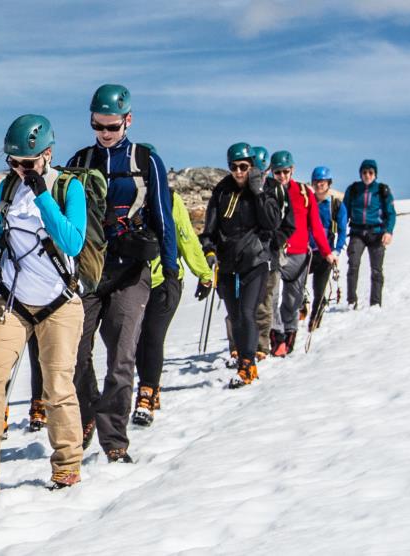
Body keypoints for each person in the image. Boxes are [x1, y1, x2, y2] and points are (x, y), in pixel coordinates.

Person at [0, 114, 90, 496]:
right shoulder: (8, 189)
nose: (18, 169)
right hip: (11, 300)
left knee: (57, 386)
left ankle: (67, 466)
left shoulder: (69, 187)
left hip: (60, 304)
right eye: (12, 163)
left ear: (47, 155)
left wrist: (42, 192)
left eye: (27, 163)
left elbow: (71, 243)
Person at [48, 83, 170, 463]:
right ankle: (89, 413)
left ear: (128, 120)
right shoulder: (81, 160)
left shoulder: (145, 160)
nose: (104, 134)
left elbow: (162, 214)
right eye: (98, 126)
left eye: (112, 127)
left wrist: (170, 266)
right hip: (88, 273)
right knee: (74, 353)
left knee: (121, 357)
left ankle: (114, 439)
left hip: (131, 271)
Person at [129, 162, 215, 427]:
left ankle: (146, 393)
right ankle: (149, 386)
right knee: (136, 340)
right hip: (132, 281)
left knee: (152, 336)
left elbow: (186, 238)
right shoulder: (124, 200)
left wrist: (204, 274)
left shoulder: (171, 200)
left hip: (166, 280)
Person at [203, 143, 281, 388]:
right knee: (235, 314)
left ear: (251, 166)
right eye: (234, 167)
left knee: (248, 312)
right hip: (227, 261)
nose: (238, 172)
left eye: (244, 167)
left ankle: (247, 365)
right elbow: (210, 227)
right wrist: (209, 249)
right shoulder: (222, 190)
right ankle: (243, 357)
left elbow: (272, 222)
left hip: (255, 260)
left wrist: (258, 192)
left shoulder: (262, 189)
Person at [270, 151, 328, 356]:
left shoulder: (304, 193)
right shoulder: (267, 193)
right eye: (278, 172)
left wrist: (326, 252)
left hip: (299, 255)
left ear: (292, 170)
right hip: (274, 254)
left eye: (286, 171)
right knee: (271, 297)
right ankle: (276, 335)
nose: (282, 176)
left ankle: (289, 333)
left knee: (292, 300)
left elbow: (316, 225)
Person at [250, 146, 291, 361]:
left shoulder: (276, 190)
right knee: (250, 303)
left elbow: (287, 222)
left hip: (271, 254)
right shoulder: (241, 189)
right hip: (249, 254)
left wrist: (276, 241)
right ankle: (247, 345)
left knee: (268, 300)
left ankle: (263, 345)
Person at [344, 159, 396, 307]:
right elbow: (344, 212)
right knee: (353, 264)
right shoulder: (353, 189)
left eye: (370, 172)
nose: (367, 175)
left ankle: (375, 303)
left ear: (375, 174)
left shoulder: (382, 191)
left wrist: (388, 232)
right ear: (360, 174)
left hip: (377, 233)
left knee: (376, 269)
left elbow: (391, 214)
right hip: (357, 232)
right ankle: (351, 301)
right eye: (364, 172)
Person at [307, 166, 346, 329]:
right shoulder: (307, 202)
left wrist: (336, 250)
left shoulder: (335, 205)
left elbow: (343, 230)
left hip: (326, 255)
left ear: (329, 183)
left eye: (322, 182)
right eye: (316, 182)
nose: (319, 185)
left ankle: (314, 321)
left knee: (319, 289)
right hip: (306, 252)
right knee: (297, 287)